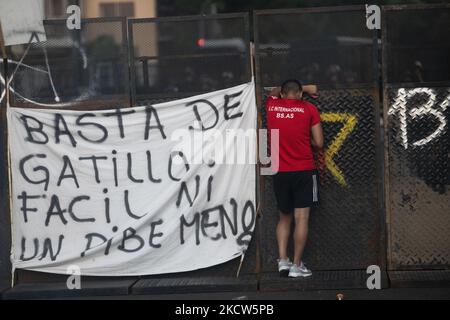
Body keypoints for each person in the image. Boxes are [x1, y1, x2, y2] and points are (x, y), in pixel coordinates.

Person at [265, 80, 323, 278]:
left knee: (284, 217)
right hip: (304, 170)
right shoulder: (309, 109)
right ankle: (296, 265)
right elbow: (319, 142)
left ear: (282, 94)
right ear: (299, 94)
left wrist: (290, 90)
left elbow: (273, 90)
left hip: (279, 171)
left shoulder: (272, 105)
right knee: (302, 218)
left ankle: (282, 260)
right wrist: (306, 90)